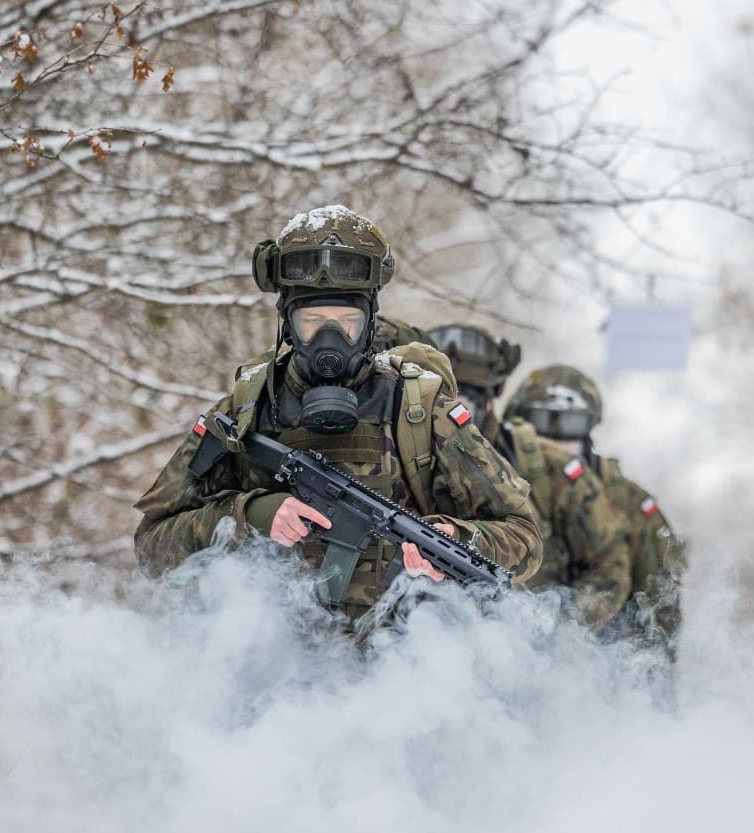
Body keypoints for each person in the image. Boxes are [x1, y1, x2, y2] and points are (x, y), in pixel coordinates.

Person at [132, 207, 542, 621]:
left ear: (369, 324)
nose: (331, 340)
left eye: (347, 321)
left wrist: (458, 539)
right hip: (263, 660)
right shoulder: (245, 413)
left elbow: (525, 540)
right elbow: (151, 546)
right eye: (312, 321)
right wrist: (248, 516)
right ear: (288, 325)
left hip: (407, 668)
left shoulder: (419, 410)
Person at [426, 325, 632, 631]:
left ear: (488, 403)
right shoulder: (400, 454)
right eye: (434, 403)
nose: (445, 416)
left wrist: (554, 628)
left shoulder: (549, 466)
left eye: (458, 406)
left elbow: (609, 567)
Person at [504, 365, 686, 647]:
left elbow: (660, 611)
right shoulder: (500, 482)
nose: (555, 443)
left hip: (602, 655)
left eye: (570, 427)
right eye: (540, 425)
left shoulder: (628, 503)